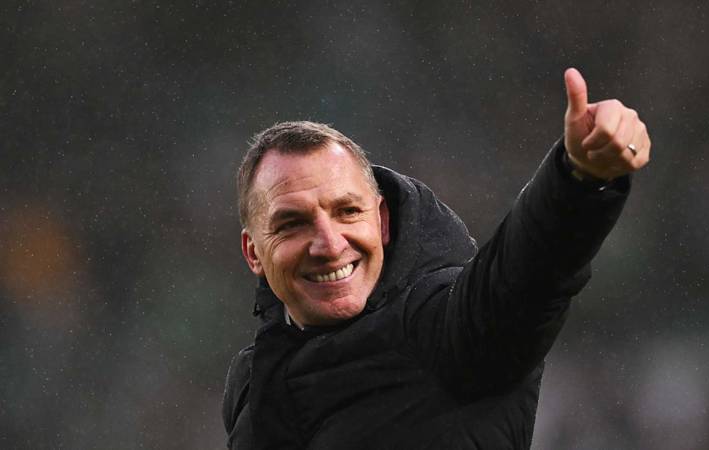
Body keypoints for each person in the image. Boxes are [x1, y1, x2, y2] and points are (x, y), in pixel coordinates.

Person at [222, 68, 651, 449]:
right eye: (293, 224)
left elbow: (526, 276)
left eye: (348, 211)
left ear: (382, 221)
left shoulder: (444, 328)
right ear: (253, 253)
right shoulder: (251, 379)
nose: (329, 244)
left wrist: (579, 178)